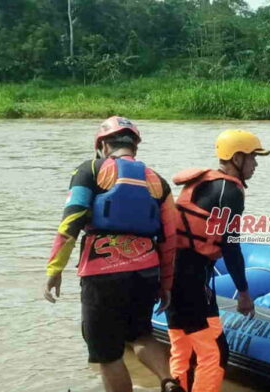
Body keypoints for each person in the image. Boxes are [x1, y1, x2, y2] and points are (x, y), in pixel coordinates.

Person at [43, 116, 183, 392]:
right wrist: (165, 284)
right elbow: (170, 239)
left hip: (102, 274)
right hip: (146, 273)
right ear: (135, 147)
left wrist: (54, 269)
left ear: (103, 145)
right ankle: (168, 382)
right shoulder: (158, 181)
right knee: (141, 334)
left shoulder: (90, 170)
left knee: (108, 353)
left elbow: (71, 221)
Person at [166, 129, 269, 392]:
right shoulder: (229, 192)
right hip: (190, 278)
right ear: (236, 158)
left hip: (172, 274)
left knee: (183, 348)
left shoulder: (204, 183)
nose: (255, 164)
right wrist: (244, 292)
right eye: (252, 158)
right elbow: (230, 247)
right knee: (215, 353)